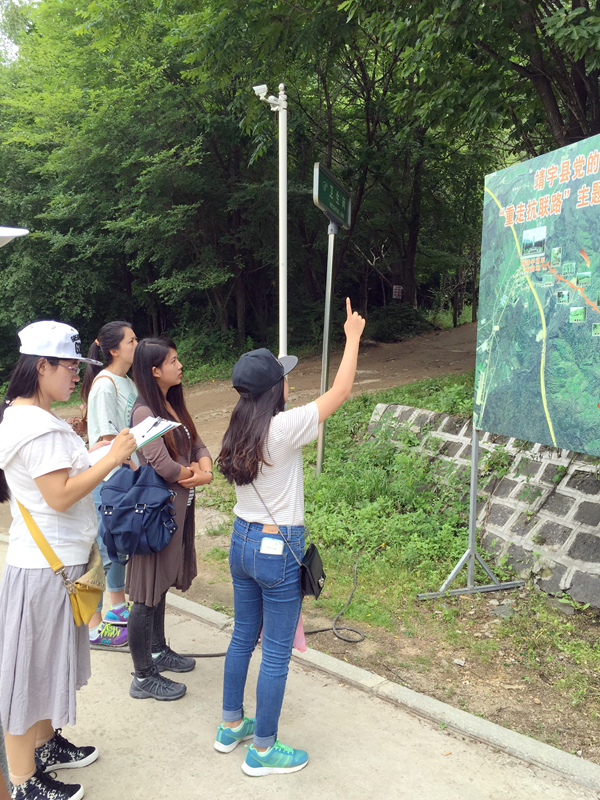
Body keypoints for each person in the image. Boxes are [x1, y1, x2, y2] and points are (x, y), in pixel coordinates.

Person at [215, 298, 365, 777]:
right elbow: (341, 391)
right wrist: (352, 337)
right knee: (276, 651)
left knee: (243, 636)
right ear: (273, 389)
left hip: (241, 541)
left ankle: (230, 725)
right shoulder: (281, 427)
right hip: (277, 550)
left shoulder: (239, 423)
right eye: (284, 377)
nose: (289, 382)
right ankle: (263, 750)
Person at [0, 320, 136, 800]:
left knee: (44, 668)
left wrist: (94, 451)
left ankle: (45, 745)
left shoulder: (31, 416)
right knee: (29, 674)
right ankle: (23, 781)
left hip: (57, 565)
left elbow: (59, 475)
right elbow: (58, 496)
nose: (77, 374)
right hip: (46, 569)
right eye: (70, 367)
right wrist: (113, 457)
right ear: (42, 367)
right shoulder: (34, 427)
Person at [127, 337, 213, 701]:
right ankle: (143, 676)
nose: (180, 366)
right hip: (154, 515)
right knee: (145, 593)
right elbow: (162, 465)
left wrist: (205, 470)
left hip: (175, 510)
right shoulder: (143, 413)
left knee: (160, 584)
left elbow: (198, 444)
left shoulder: (170, 404)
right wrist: (196, 475)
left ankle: (159, 650)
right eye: (173, 361)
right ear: (154, 371)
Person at [80, 321, 138, 647]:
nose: (137, 345)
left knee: (112, 549)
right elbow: (107, 438)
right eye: (132, 341)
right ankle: (95, 625)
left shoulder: (126, 382)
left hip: (122, 476)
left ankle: (111, 614)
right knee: (103, 551)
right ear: (114, 349)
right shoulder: (104, 385)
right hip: (108, 479)